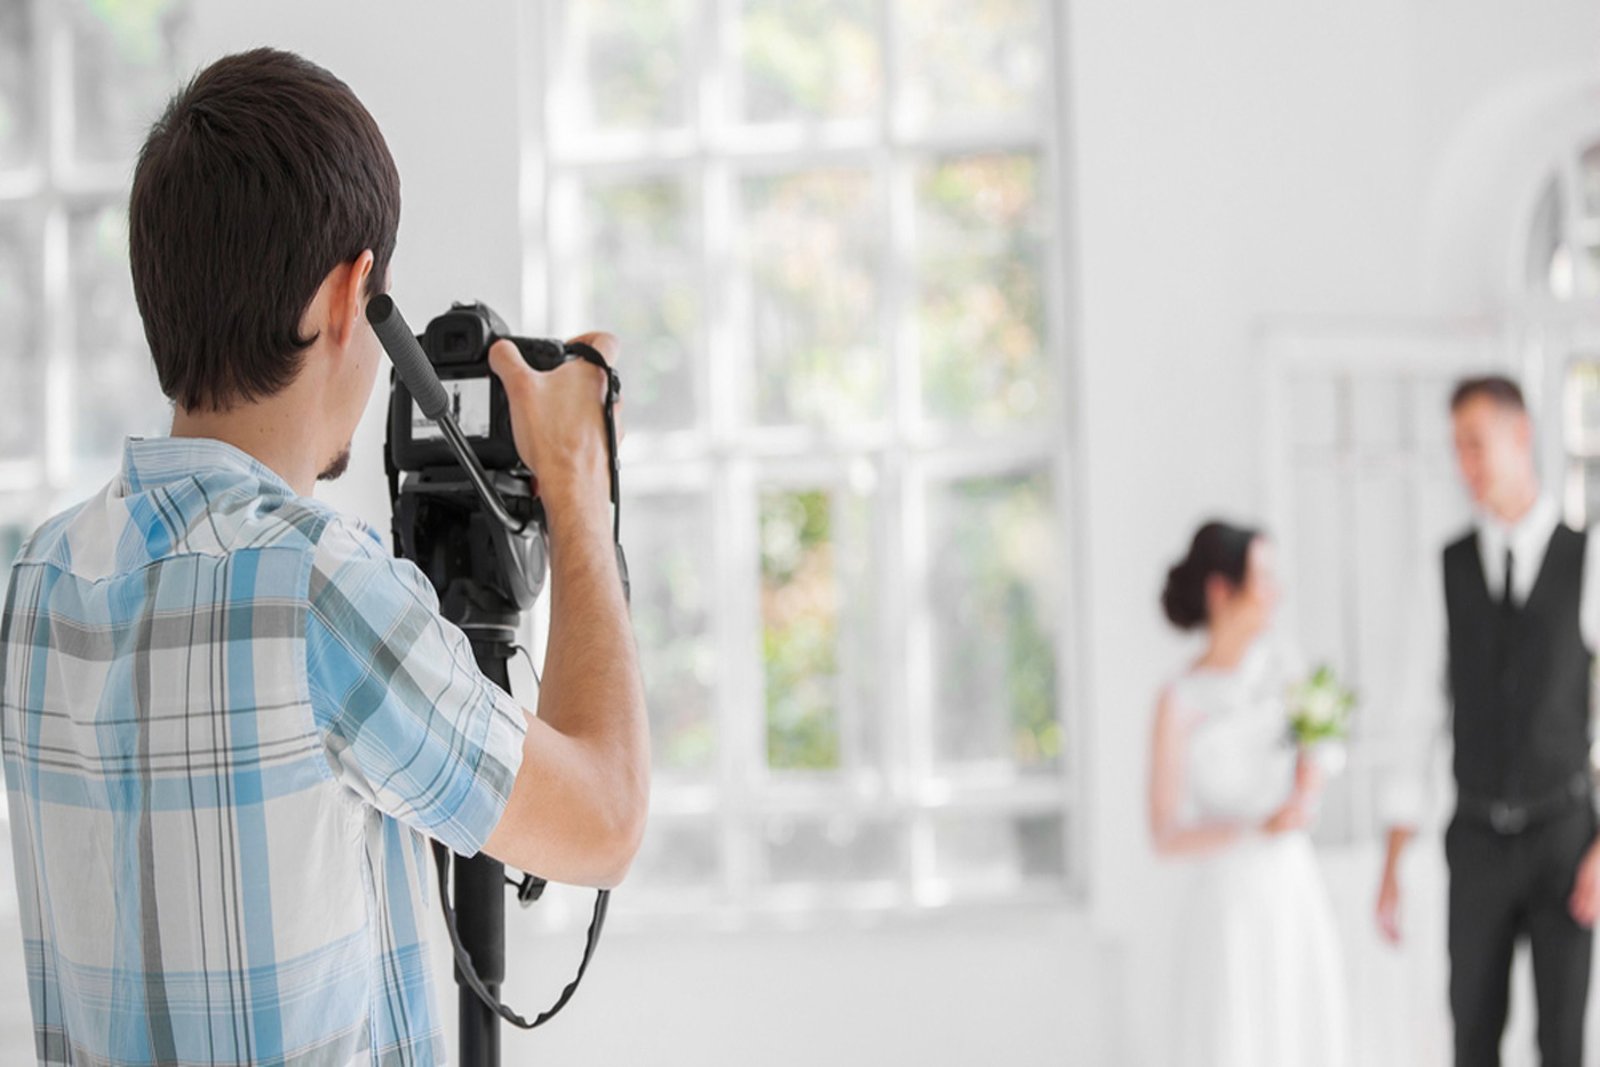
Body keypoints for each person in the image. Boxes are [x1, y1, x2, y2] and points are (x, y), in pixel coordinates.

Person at [0, 49, 649, 1066]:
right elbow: (603, 817)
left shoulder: (39, 583)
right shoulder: (318, 592)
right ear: (352, 296)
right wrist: (575, 484)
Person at [1375, 375, 1600, 1067]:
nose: (1466, 464)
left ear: (1521, 434)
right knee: (1471, 1033)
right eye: (1457, 448)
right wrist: (1392, 857)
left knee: (1561, 1040)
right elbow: (1416, 710)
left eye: (1476, 443)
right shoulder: (1442, 569)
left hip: (1565, 834)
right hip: (1474, 838)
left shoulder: (1586, 559)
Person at [1151, 521, 1348, 1067]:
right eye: (1262, 578)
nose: (1275, 593)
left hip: (1291, 891)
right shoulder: (1180, 698)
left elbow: (1318, 758)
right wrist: (1255, 829)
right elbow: (1164, 833)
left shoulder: (1286, 671)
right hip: (1227, 908)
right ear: (1221, 590)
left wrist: (1309, 786)